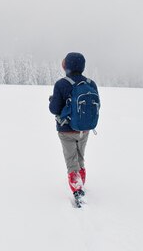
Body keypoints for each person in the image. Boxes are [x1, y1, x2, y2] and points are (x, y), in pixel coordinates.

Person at [48, 52, 99, 199]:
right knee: (80, 156)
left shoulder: (61, 84)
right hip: (85, 128)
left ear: (67, 66)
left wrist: (52, 101)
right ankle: (81, 180)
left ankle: (77, 190)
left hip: (66, 130)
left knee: (71, 159)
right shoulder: (91, 83)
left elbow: (54, 109)